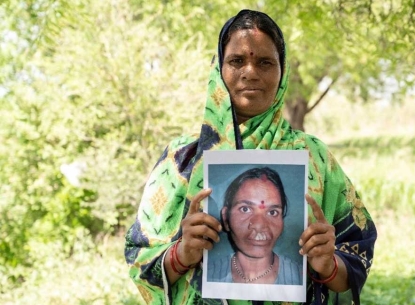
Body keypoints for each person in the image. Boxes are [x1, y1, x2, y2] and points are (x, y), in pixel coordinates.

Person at [125, 9, 377, 305]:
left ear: (282, 73)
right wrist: (182, 254)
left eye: (265, 62)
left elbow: (356, 255)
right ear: (219, 70)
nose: (250, 72)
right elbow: (139, 256)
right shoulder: (181, 159)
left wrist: (327, 263)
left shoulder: (313, 157)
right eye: (236, 61)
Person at [207, 167, 302, 285]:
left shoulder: (301, 278)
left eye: (272, 212)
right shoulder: (207, 276)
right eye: (245, 209)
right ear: (226, 219)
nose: (259, 225)